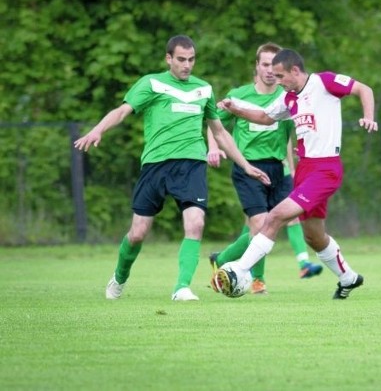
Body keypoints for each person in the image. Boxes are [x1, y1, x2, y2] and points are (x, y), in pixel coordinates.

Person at [74, 35, 270, 301]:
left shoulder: (204, 89)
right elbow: (122, 112)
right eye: (181, 59)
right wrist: (97, 130)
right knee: (138, 233)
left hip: (191, 164)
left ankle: (181, 287)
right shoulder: (151, 83)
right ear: (169, 59)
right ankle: (119, 278)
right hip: (156, 165)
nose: (187, 65)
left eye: (191, 60)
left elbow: (220, 132)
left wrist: (245, 165)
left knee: (196, 223)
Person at [213, 48, 377, 299]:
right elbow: (265, 117)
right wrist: (235, 109)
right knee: (313, 235)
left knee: (275, 215)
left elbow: (364, 89)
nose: (277, 81)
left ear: (295, 71)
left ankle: (239, 270)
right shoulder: (288, 98)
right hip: (305, 169)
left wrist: (368, 117)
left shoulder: (324, 82)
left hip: (326, 169)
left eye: (280, 76)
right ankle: (349, 278)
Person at [206, 42, 323, 295]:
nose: (270, 70)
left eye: (274, 65)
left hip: (278, 169)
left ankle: (222, 257)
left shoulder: (287, 96)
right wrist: (213, 147)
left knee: (273, 224)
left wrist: (302, 151)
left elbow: (299, 127)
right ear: (257, 66)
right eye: (265, 64)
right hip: (247, 167)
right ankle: (257, 280)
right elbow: (213, 121)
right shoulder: (238, 95)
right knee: (259, 224)